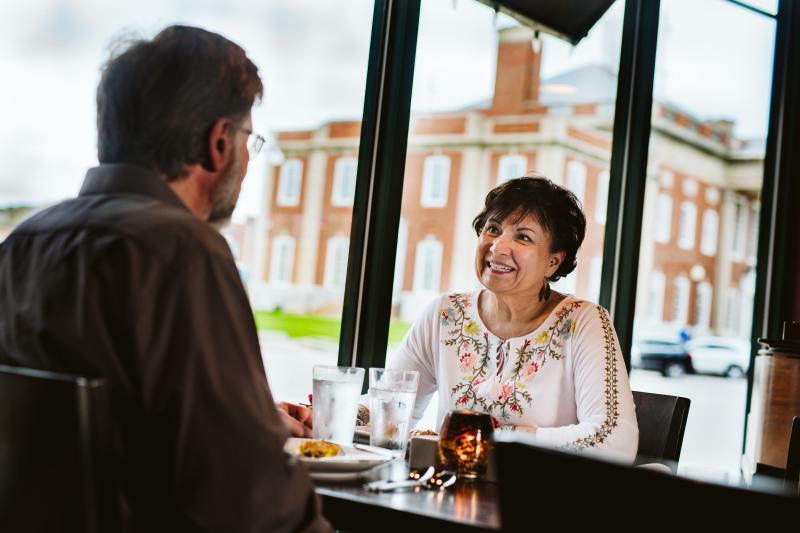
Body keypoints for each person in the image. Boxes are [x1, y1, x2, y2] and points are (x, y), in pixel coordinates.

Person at [0, 26, 329, 532]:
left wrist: (251, 416)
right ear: (219, 142)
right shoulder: (183, 254)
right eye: (249, 141)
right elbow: (251, 502)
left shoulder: (21, 244)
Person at [390, 176, 639, 460]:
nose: (498, 246)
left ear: (553, 261)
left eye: (523, 237)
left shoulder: (584, 322)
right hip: (444, 492)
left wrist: (510, 439)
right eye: (493, 229)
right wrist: (344, 408)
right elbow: (391, 406)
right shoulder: (445, 313)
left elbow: (616, 442)